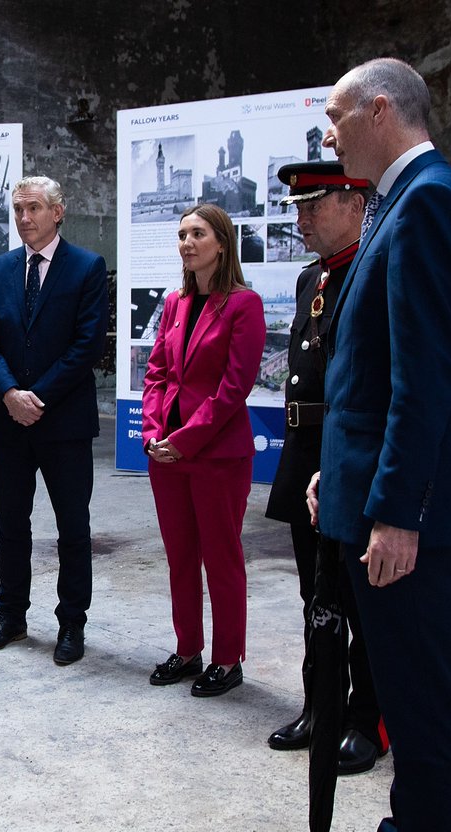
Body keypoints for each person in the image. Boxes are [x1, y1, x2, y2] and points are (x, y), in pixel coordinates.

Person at [309, 58, 451, 832]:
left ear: (382, 110)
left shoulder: (431, 202)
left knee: (425, 713)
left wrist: (393, 511)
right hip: (373, 494)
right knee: (406, 699)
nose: (329, 131)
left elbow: (426, 383)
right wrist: (339, 477)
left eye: (337, 114)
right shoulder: (398, 203)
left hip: (403, 515)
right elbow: (373, 375)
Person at [264, 161, 388, 774]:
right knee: (317, 594)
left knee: (363, 596)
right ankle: (320, 708)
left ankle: (366, 721)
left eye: (313, 206)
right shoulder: (313, 276)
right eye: (298, 208)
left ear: (354, 199)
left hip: (352, 455)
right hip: (307, 451)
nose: (302, 220)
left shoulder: (373, 268)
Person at [0, 175, 109, 665]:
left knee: (73, 526)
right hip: (8, 420)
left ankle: (72, 622)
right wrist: (10, 393)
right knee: (11, 523)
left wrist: (37, 397)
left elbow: (87, 346)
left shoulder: (88, 268)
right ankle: (11, 615)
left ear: (58, 211)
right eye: (18, 210)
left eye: (33, 209)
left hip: (63, 423)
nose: (24, 218)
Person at [141, 203, 265, 697]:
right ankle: (188, 648)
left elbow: (234, 388)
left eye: (197, 234)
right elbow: (156, 373)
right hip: (167, 454)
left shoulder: (243, 304)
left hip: (216, 454)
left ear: (222, 242)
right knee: (179, 557)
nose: (187, 243)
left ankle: (228, 658)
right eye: (181, 235)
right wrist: (153, 434)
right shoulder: (174, 303)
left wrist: (184, 438)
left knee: (221, 557)